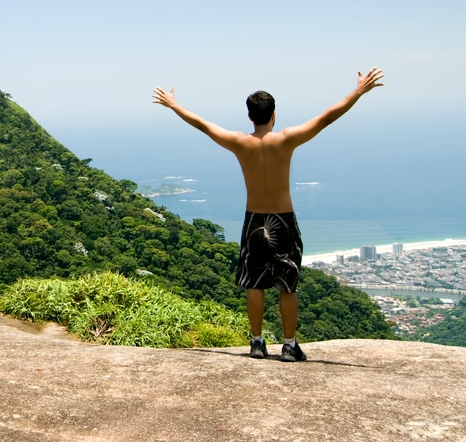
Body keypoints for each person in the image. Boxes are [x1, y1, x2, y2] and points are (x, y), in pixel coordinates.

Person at [152, 68, 385, 362]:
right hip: (283, 221)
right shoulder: (286, 140)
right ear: (273, 114)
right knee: (287, 285)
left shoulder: (240, 142)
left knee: (254, 283)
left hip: (254, 221)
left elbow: (203, 125)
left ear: (250, 116)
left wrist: (173, 105)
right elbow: (327, 117)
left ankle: (257, 343)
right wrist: (358, 91)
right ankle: (289, 345)